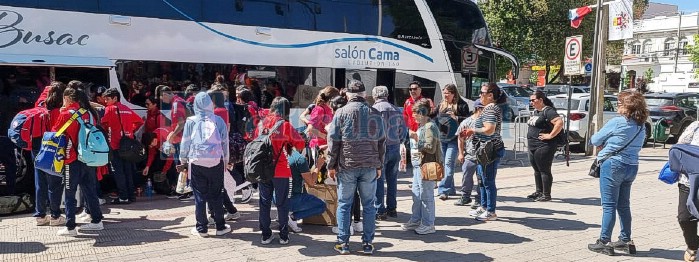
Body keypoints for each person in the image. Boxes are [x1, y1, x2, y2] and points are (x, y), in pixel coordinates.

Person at [326, 80, 385, 255]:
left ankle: (343, 243)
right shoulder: (375, 113)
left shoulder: (341, 113)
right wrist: (379, 164)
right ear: (364, 95)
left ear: (348, 96)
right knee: (368, 205)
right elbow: (382, 142)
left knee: (344, 204)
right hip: (369, 165)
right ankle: (367, 243)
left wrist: (331, 164)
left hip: (347, 165)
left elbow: (333, 141)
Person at [587, 91, 648, 256]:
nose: (618, 106)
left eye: (620, 103)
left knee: (608, 206)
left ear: (627, 106)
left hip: (613, 165)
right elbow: (638, 145)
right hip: (632, 166)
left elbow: (594, 140)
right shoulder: (641, 125)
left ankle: (604, 241)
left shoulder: (618, 122)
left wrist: (607, 144)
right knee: (624, 205)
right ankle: (625, 240)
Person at [54, 87, 104, 236]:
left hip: (72, 158)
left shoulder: (65, 114)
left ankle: (70, 227)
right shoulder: (87, 113)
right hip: (88, 158)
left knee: (70, 193)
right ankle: (97, 221)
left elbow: (55, 133)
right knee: (90, 190)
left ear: (68, 99)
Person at [255, 97, 305, 245]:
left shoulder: (261, 122)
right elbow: (300, 143)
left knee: (264, 203)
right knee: (282, 203)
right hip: (281, 170)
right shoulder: (285, 125)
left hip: (263, 169)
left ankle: (265, 235)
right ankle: (283, 235)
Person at [180, 92, 231, 237]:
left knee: (200, 196)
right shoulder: (218, 120)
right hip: (216, 162)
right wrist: (226, 160)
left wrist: (183, 160)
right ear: (210, 104)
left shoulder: (191, 121)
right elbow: (225, 142)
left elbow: (185, 142)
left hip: (197, 161)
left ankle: (201, 228)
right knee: (216, 194)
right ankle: (220, 226)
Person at [462, 82, 506, 222]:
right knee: (482, 180)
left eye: (482, 93)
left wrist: (472, 130)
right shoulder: (489, 108)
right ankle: (484, 206)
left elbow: (489, 129)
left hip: (490, 150)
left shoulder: (491, 109)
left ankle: (490, 211)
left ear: (490, 95)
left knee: (488, 181)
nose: (480, 95)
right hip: (484, 150)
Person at [401, 99, 440, 235]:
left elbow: (430, 147)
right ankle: (416, 219)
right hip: (420, 165)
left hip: (428, 165)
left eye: (415, 113)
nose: (413, 116)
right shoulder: (423, 126)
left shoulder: (429, 127)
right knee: (417, 194)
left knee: (426, 195)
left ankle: (428, 224)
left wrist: (416, 138)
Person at [101, 88, 144, 204]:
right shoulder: (127, 109)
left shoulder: (109, 109)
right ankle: (131, 196)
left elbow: (102, 124)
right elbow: (140, 121)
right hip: (128, 145)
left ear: (115, 98)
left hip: (115, 145)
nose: (106, 101)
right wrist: (130, 131)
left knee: (118, 172)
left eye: (107, 99)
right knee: (128, 171)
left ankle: (123, 197)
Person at [33, 81, 66, 226]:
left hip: (38, 148)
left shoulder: (40, 107)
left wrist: (47, 88)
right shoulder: (60, 111)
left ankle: (40, 215)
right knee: (54, 184)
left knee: (40, 183)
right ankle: (55, 216)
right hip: (54, 148)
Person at [372, 86, 406, 220]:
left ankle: (380, 210)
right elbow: (403, 131)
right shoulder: (396, 109)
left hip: (380, 149)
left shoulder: (374, 110)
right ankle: (392, 208)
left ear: (375, 96)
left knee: (379, 179)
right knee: (392, 179)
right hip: (395, 146)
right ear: (387, 95)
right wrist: (399, 140)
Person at [526, 91, 563, 202]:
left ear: (541, 100)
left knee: (544, 170)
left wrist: (550, 135)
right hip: (533, 145)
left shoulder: (548, 111)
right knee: (536, 170)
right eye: (530, 100)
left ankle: (546, 194)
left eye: (533, 100)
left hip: (544, 146)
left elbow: (559, 122)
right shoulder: (537, 111)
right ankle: (539, 191)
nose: (531, 102)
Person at [436, 84, 470, 200]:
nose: (445, 95)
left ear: (453, 94)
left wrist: (456, 118)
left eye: (447, 93)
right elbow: (433, 115)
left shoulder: (461, 105)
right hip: (442, 138)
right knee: (445, 165)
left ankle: (443, 190)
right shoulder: (441, 105)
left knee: (449, 163)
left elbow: (467, 120)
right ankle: (451, 189)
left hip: (455, 139)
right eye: (444, 93)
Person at [159, 86, 191, 200]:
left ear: (166, 94)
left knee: (182, 165)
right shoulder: (178, 102)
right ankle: (184, 189)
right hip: (181, 139)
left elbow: (181, 123)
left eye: (162, 97)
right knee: (182, 165)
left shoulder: (176, 103)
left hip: (181, 140)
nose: (162, 100)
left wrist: (172, 135)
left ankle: (187, 190)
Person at [675, 120, 699, 261]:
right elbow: (680, 146)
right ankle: (692, 244)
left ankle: (692, 248)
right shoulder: (695, 126)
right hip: (688, 181)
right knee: (684, 217)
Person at [287, 149, 327, 233]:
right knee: (322, 205)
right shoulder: (299, 159)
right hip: (292, 199)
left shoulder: (280, 153)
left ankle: (282, 213)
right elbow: (311, 183)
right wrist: (318, 166)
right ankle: (293, 217)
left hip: (276, 197)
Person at [454, 99, 484, 207]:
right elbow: (460, 138)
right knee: (466, 176)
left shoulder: (486, 122)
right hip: (470, 155)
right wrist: (461, 153)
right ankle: (465, 196)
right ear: (478, 109)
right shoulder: (467, 122)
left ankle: (480, 199)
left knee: (481, 178)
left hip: (483, 156)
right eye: (483, 108)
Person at [306, 86, 339, 152]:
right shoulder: (319, 109)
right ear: (331, 99)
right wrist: (325, 136)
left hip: (328, 145)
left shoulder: (331, 109)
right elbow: (310, 129)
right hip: (319, 146)